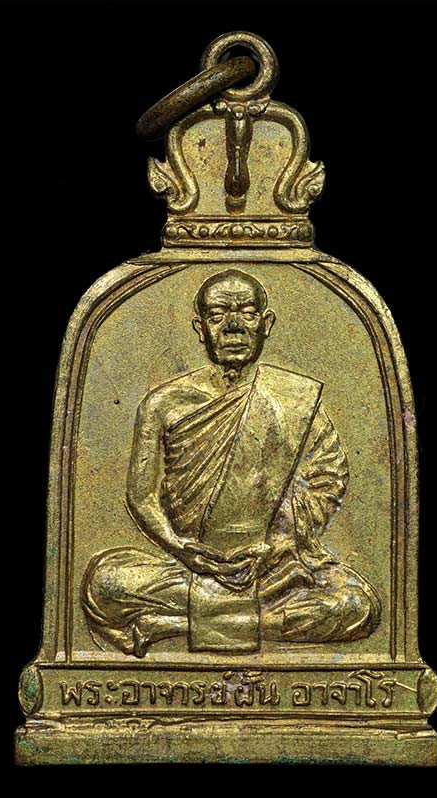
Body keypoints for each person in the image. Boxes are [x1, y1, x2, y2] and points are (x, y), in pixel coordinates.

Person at [82, 269, 381, 656]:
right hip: (187, 566)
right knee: (104, 583)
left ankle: (173, 625)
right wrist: (181, 547)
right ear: (200, 327)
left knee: (356, 605)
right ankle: (238, 621)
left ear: (266, 324)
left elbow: (328, 482)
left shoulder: (295, 399)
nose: (233, 326)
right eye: (218, 315)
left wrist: (276, 546)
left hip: (275, 569)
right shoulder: (163, 403)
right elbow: (141, 496)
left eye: (247, 313)